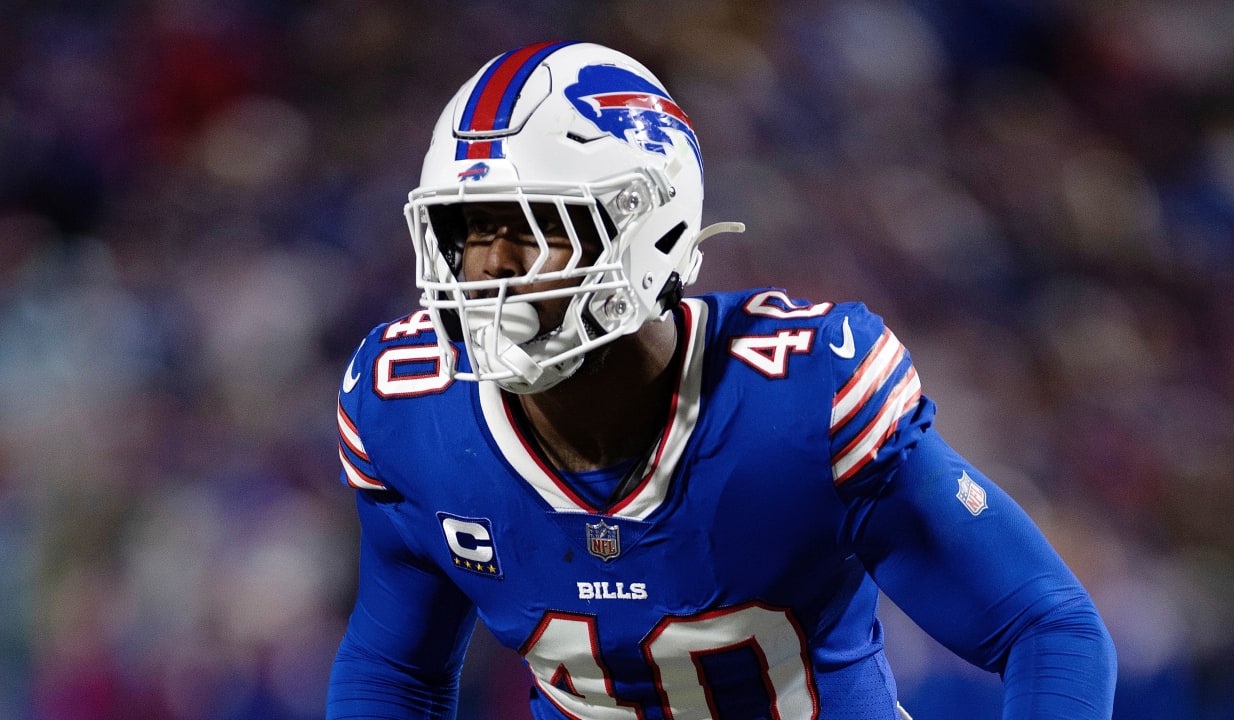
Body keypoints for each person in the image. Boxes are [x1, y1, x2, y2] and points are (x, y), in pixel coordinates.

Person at [326, 40, 1117, 720]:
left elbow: (1048, 628)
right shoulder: (413, 413)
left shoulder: (798, 396)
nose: (490, 266)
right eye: (469, 231)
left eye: (534, 229)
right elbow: (393, 671)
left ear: (648, 230)